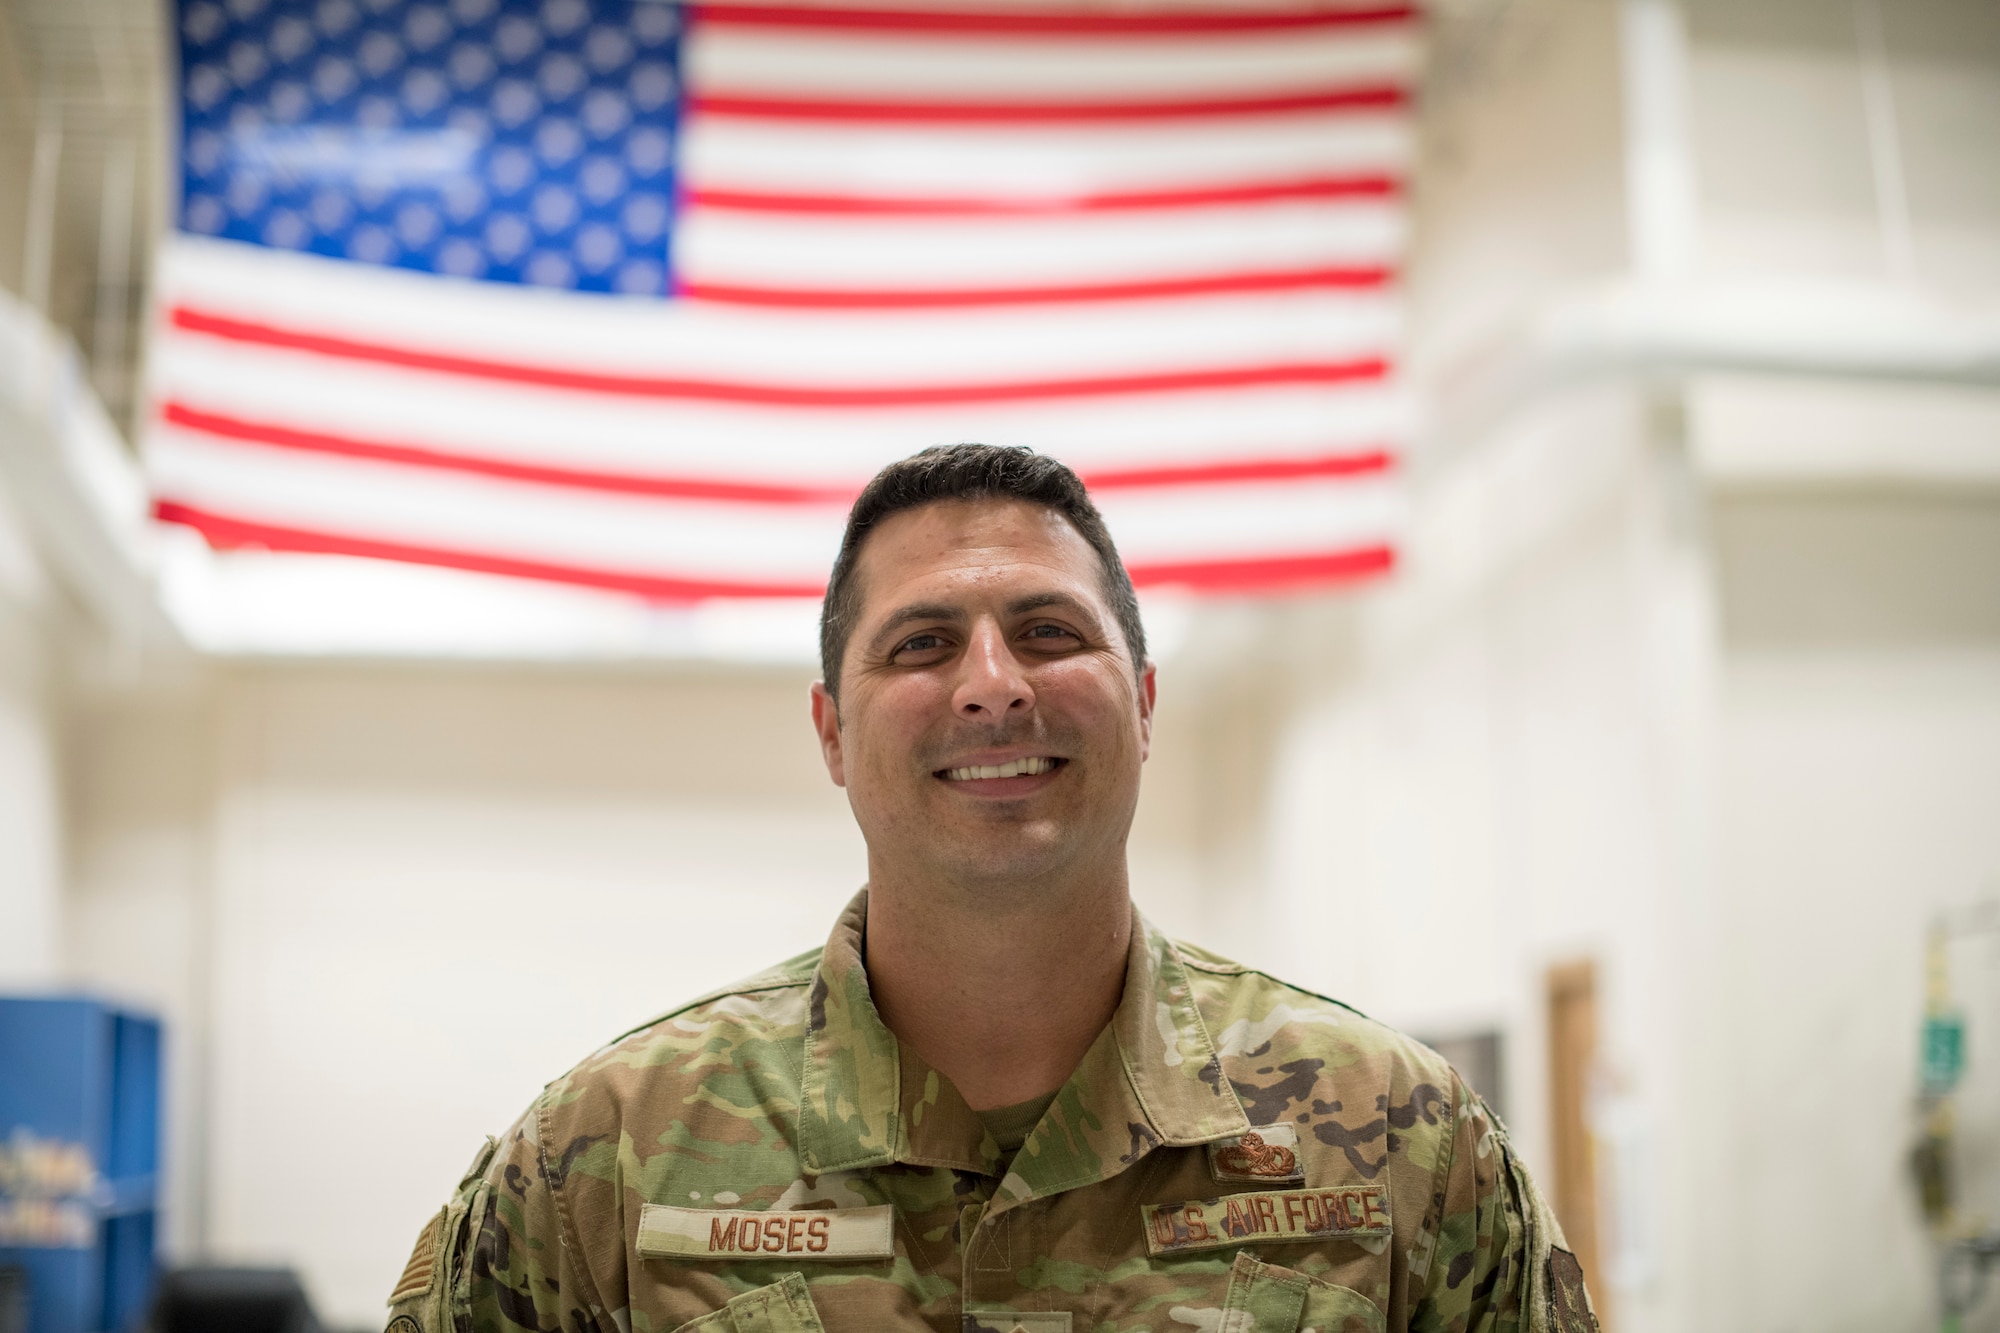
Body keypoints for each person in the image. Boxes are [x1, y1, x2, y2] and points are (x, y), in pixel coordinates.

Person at [384, 445, 1598, 1333]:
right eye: (918, 643)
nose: (991, 685)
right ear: (829, 732)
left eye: (1049, 630)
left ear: (1145, 702)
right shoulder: (605, 1155)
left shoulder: (1397, 1137)